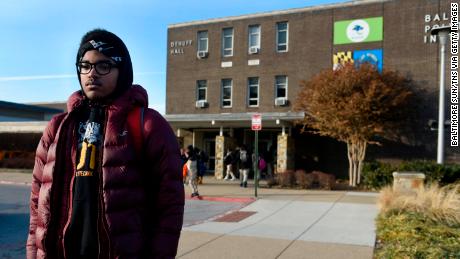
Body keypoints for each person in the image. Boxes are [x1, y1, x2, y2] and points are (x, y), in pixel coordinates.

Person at [26, 29, 184, 258]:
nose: (92, 74)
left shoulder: (148, 124)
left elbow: (169, 206)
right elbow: (36, 205)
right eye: (85, 65)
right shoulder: (57, 127)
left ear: (123, 71)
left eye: (104, 65)